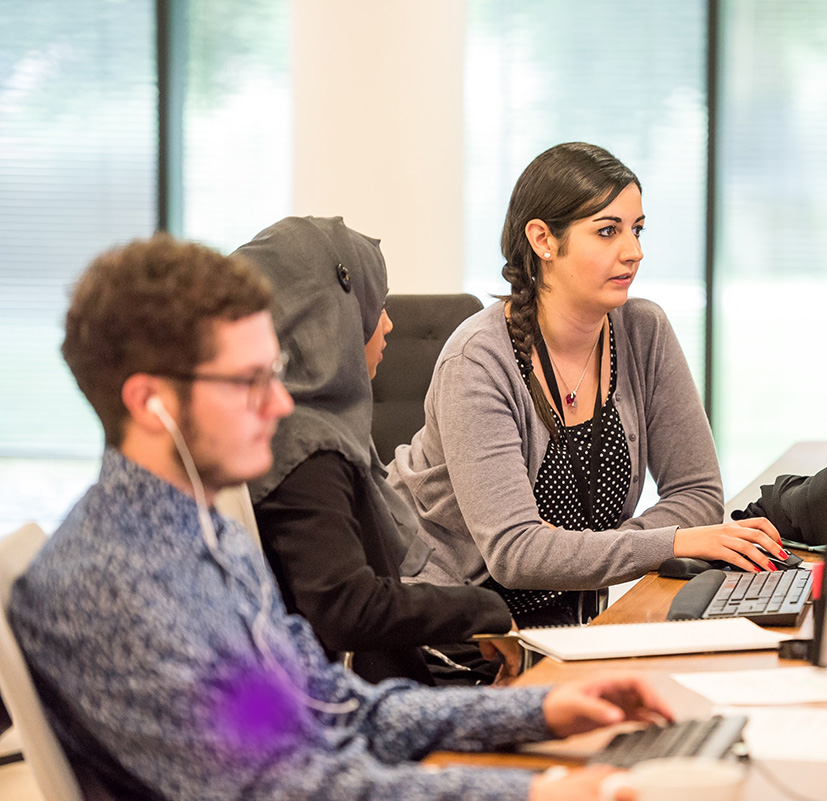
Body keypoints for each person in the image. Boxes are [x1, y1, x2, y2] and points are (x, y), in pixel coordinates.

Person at [8, 234, 670, 801]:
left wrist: (536, 708)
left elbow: (330, 706)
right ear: (150, 402)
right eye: (248, 381)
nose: (278, 404)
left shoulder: (202, 539)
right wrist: (530, 790)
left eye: (274, 373)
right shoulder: (119, 584)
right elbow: (293, 787)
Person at [388, 142, 785, 626]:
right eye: (607, 231)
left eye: (636, 230)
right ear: (543, 240)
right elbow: (515, 553)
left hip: (570, 622)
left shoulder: (643, 331)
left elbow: (698, 494)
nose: (634, 252)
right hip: (457, 629)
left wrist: (595, 552)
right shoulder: (479, 360)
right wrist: (670, 542)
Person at [237, 216, 518, 686]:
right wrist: (480, 609)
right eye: (376, 305)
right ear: (330, 316)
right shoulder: (306, 449)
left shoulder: (296, 429)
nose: (388, 324)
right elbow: (346, 608)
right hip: (359, 705)